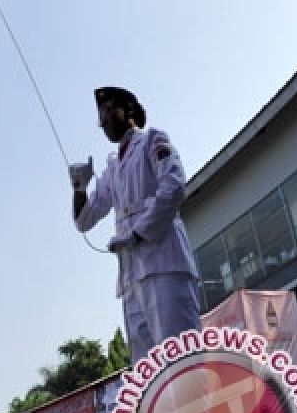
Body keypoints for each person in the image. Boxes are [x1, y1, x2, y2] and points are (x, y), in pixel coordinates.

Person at [70, 86, 201, 366]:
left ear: (128, 109)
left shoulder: (153, 140)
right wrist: (79, 187)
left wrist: (138, 234)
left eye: (108, 111)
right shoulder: (113, 166)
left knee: (181, 360)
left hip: (164, 262)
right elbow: (85, 220)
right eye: (100, 117)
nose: (103, 122)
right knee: (148, 371)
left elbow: (174, 186)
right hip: (131, 275)